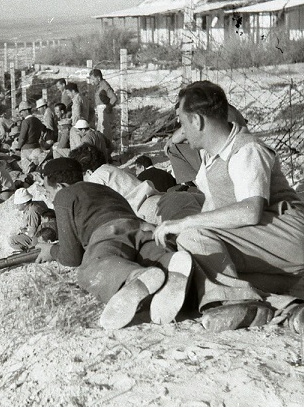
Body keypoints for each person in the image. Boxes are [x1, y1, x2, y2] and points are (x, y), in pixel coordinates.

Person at [153, 81, 304, 335]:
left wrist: (184, 224)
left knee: (192, 236)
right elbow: (211, 212)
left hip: (287, 238)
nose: (182, 131)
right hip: (268, 258)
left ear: (197, 121)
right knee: (197, 273)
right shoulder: (211, 156)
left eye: (182, 122)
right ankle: (292, 311)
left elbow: (250, 211)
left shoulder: (246, 149)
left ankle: (236, 301)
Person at [33, 158, 193, 329]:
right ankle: (169, 265)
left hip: (108, 233)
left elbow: (71, 257)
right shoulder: (104, 189)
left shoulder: (64, 195)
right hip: (141, 229)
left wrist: (51, 251)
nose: (49, 196)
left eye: (48, 190)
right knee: (151, 256)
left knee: (93, 267)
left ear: (59, 186)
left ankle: (132, 278)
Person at [70, 143, 203, 225]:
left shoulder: (96, 177)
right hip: (163, 199)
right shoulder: (110, 169)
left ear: (88, 171)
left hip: (150, 211)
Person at [164, 103, 248, 185]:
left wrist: (171, 140)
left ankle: (200, 186)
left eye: (180, 116)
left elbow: (178, 136)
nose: (178, 120)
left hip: (225, 162)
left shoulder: (206, 113)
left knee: (174, 149)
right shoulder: (225, 108)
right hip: (239, 156)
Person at [8, 188, 50, 252]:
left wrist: (23, 231)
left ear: (24, 203)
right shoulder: (38, 203)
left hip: (40, 237)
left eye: (18, 203)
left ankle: (29, 251)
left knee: (11, 240)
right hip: (47, 231)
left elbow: (32, 233)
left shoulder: (32, 211)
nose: (16, 205)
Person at [89, 69, 118, 152]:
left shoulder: (104, 85)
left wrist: (108, 107)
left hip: (104, 111)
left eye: (93, 79)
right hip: (100, 111)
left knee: (104, 132)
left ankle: (106, 152)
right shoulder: (99, 86)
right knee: (100, 132)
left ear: (98, 78)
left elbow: (114, 97)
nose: (91, 81)